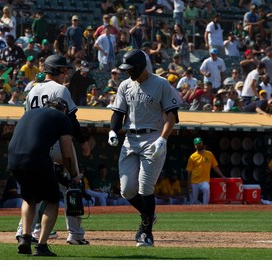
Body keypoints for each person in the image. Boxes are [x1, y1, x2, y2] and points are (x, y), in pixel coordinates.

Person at [108, 49, 180, 247]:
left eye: (130, 69)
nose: (127, 72)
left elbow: (172, 115)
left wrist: (162, 139)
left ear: (140, 67)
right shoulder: (125, 85)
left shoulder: (161, 84)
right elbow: (118, 112)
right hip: (130, 139)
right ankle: (149, 214)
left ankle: (146, 233)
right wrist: (113, 131)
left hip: (152, 137)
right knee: (127, 190)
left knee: (145, 187)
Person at [25, 54, 91, 245]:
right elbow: (70, 119)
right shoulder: (61, 90)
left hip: (39, 146)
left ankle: (26, 231)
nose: (66, 73)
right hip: (60, 143)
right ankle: (76, 234)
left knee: (36, 190)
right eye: (64, 69)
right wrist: (83, 141)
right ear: (56, 70)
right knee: (72, 186)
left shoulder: (32, 91)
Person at [8, 98, 79, 256]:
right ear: (64, 110)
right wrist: (74, 175)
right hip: (36, 158)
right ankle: (41, 246)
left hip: (13, 159)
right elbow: (67, 153)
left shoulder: (29, 113)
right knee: (52, 200)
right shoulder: (62, 118)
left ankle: (25, 238)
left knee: (29, 199)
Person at [186, 137, 226, 205]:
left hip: (204, 180)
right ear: (195, 146)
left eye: (200, 143)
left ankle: (205, 206)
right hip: (194, 181)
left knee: (206, 188)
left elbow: (215, 167)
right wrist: (189, 183)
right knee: (193, 201)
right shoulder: (192, 157)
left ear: (202, 143)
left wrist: (222, 176)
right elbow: (188, 172)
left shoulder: (209, 154)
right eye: (197, 144)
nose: (199, 145)